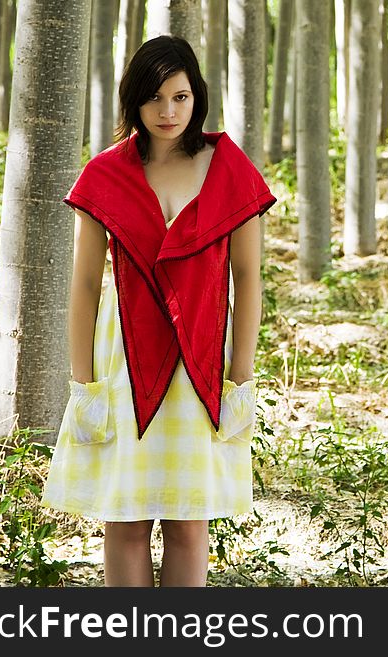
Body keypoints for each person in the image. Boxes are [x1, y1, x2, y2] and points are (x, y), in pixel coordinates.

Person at [41, 35, 275, 587]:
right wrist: (83, 384)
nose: (168, 112)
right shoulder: (105, 174)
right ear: (133, 101)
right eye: (154, 99)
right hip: (122, 358)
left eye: (181, 96)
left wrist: (240, 378)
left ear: (198, 98)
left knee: (190, 523)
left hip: (201, 359)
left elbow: (248, 279)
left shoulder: (229, 170)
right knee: (124, 520)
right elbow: (83, 286)